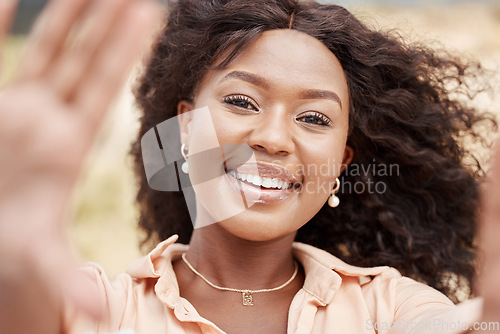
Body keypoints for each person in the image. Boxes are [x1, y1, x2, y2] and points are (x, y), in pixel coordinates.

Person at [0, 0, 499, 333]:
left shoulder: (389, 309)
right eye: (242, 101)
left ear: (341, 163)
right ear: (186, 129)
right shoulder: (100, 308)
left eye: (312, 117)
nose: (273, 138)